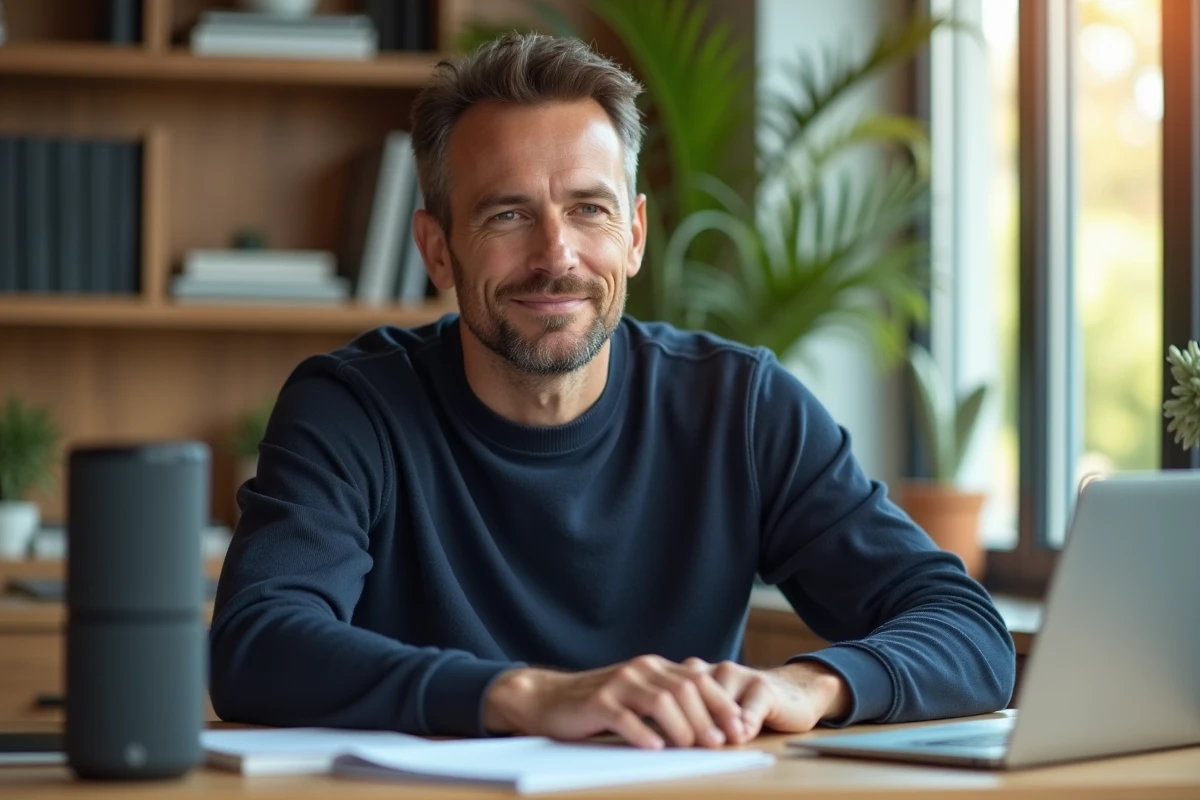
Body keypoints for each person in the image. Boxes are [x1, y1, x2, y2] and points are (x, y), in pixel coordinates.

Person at [209, 32, 1015, 750]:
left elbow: (968, 630)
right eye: (506, 215)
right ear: (438, 249)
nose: (555, 255)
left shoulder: (740, 406)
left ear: (632, 235)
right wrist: (532, 696)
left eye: (588, 209)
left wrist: (801, 686)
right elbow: (258, 644)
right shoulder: (351, 408)